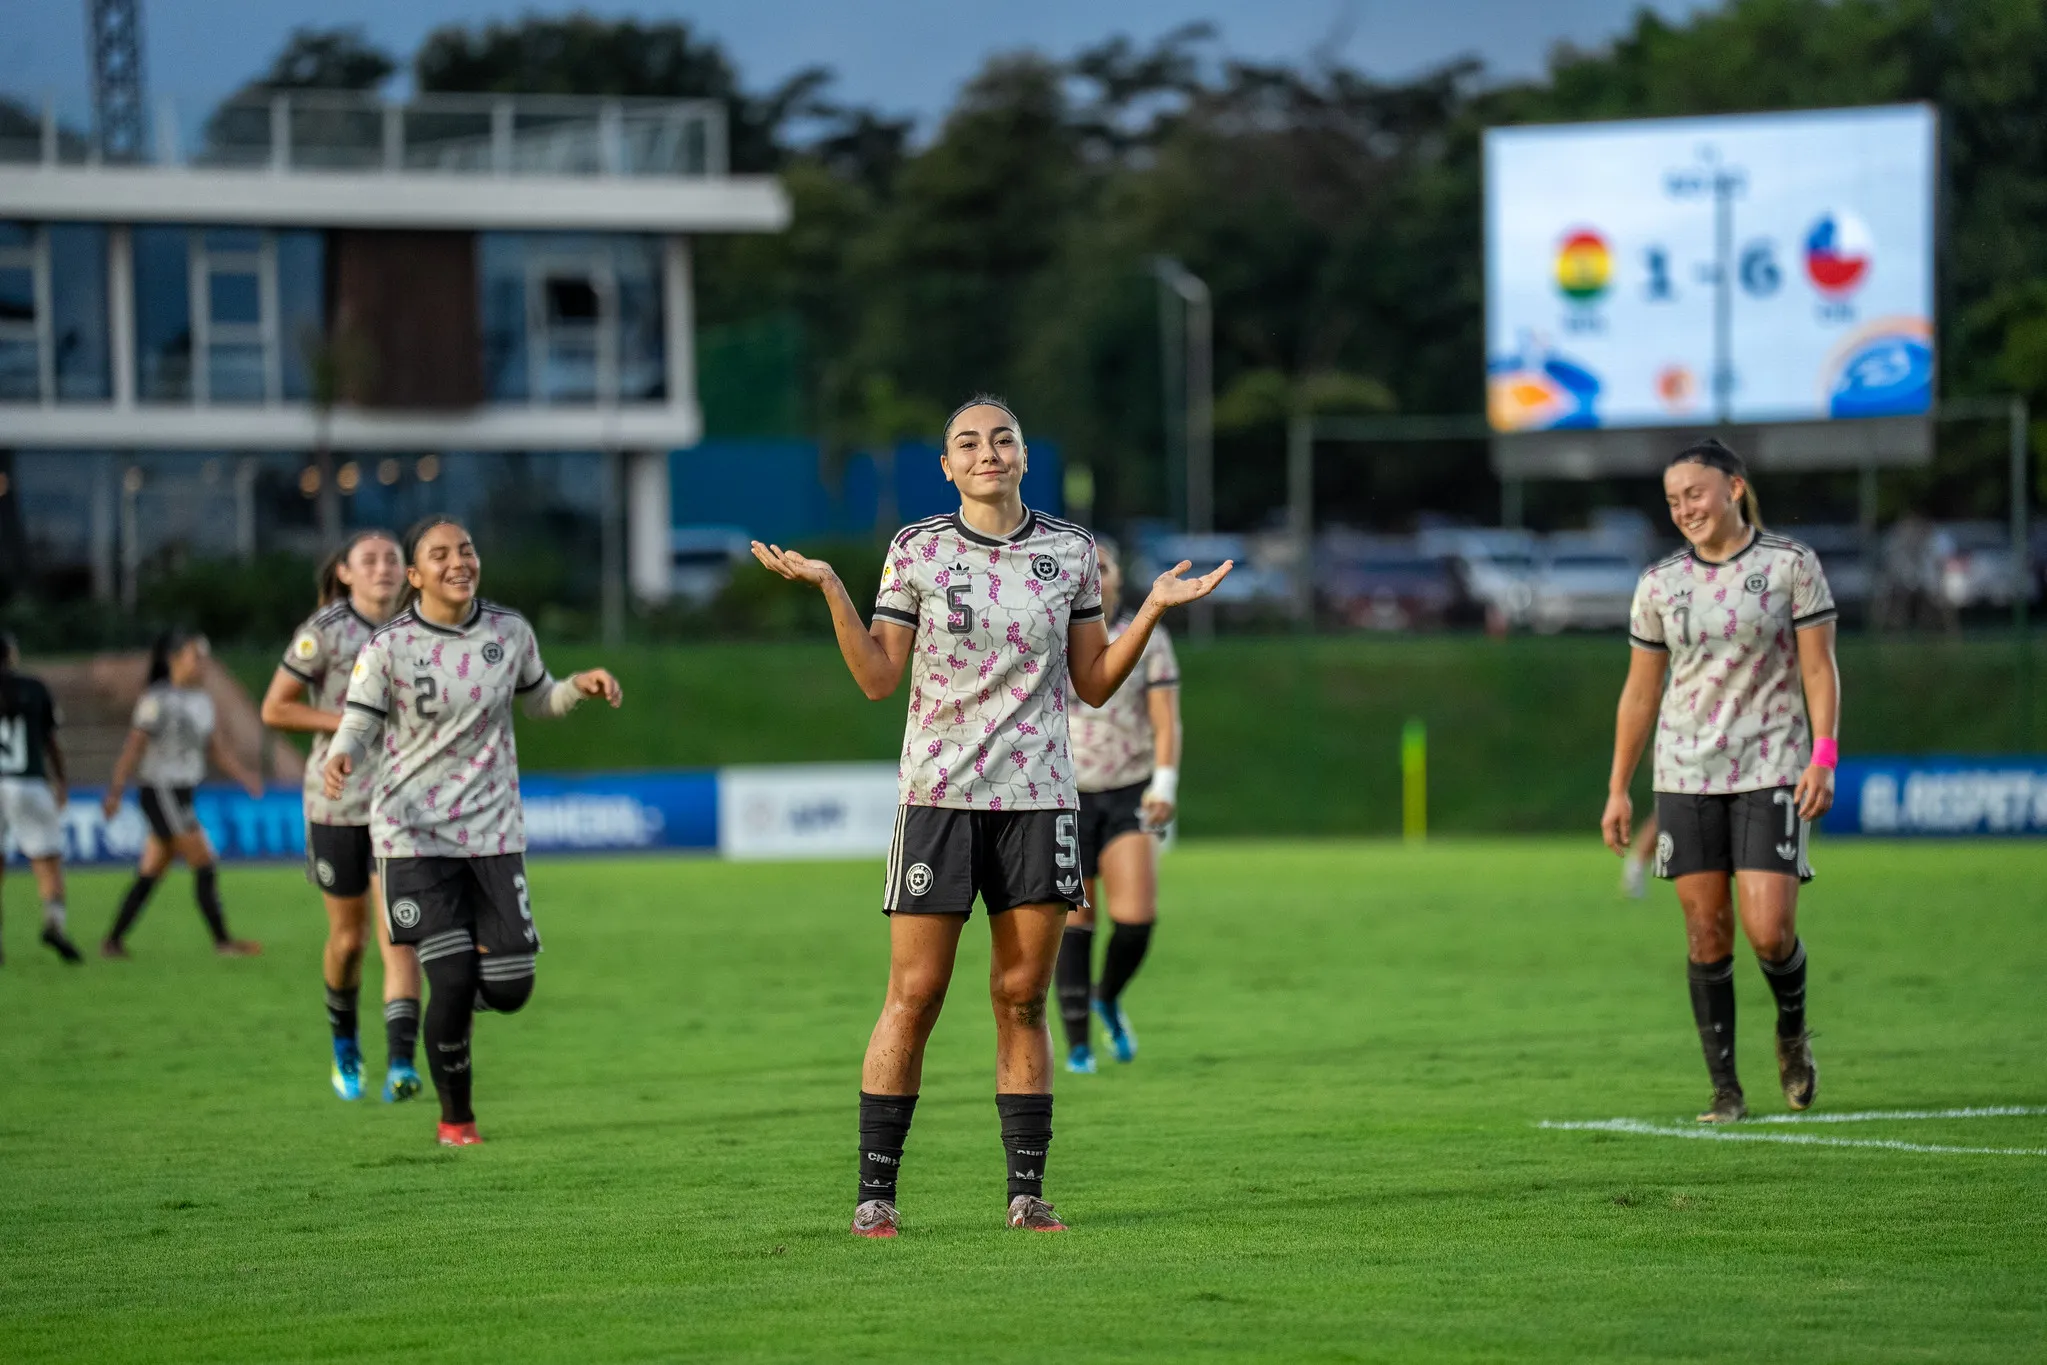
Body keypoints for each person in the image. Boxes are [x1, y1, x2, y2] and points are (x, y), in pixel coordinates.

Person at [751, 394, 1231, 1239]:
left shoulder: (1069, 551)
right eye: (968, 443)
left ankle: (1026, 1194)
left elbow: (1092, 681)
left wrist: (1152, 606)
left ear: (1021, 456)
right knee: (914, 994)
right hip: (937, 800)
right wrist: (829, 587)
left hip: (1038, 800)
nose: (987, 452)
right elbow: (876, 678)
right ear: (947, 466)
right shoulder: (917, 549)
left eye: (1002, 439)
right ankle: (875, 1193)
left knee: (1020, 997)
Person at [324, 516, 622, 1147]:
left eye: (466, 550)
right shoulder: (388, 647)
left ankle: (449, 1011)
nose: (458, 562)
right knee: (454, 980)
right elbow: (357, 721)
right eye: (440, 554)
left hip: (493, 833)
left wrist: (577, 688)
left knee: (511, 988)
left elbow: (538, 699)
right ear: (414, 575)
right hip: (413, 835)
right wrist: (342, 754)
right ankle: (456, 1120)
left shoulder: (508, 631)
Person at [1602, 438, 1839, 1123]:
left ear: (1733, 488)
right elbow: (1639, 692)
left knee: (1769, 932)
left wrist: (1823, 755)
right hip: (1684, 771)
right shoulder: (1658, 584)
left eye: (1694, 494)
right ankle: (1725, 1092)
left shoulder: (1790, 565)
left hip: (1773, 763)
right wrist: (1618, 787)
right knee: (1706, 934)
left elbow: (1819, 668)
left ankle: (1791, 1032)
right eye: (1673, 500)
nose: (1684, 509)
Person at [261, 530, 425, 1104]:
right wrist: (350, 721)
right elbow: (275, 708)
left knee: (400, 934)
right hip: (337, 802)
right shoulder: (324, 632)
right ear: (346, 573)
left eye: (392, 559)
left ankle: (401, 1064)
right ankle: (345, 1046)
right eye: (369, 560)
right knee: (349, 939)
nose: (383, 567)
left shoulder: (423, 627)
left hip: (402, 805)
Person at [1054, 537, 1181, 1073]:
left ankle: (1107, 995)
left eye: (1102, 566)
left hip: (1129, 788)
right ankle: (1078, 1046)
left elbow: (1166, 720)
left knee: (1135, 919)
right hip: (1061, 795)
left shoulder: (1148, 637)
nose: (1093, 575)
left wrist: (1164, 785)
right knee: (1073, 922)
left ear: (1117, 577)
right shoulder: (1048, 633)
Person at [102, 630, 264, 958]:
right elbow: (135, 746)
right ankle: (223, 942)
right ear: (174, 660)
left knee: (151, 871)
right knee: (204, 861)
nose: (201, 663)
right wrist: (116, 790)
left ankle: (112, 942)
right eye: (195, 657)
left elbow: (215, 749)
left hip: (183, 793)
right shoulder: (156, 699)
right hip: (161, 790)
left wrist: (244, 776)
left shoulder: (202, 701)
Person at [0, 632, 84, 964]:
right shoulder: (34, 688)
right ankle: (54, 924)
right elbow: (51, 741)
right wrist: (61, 779)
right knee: (47, 861)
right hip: (28, 783)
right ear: (11, 654)